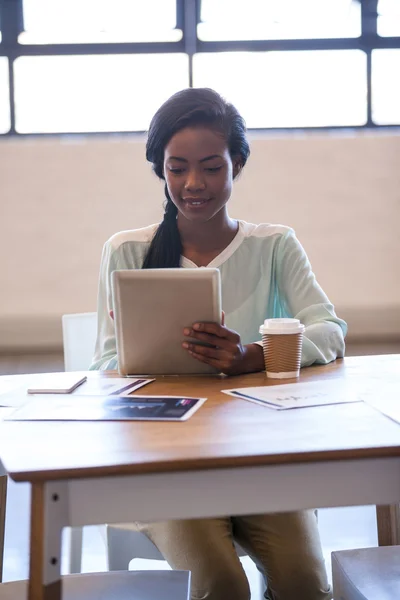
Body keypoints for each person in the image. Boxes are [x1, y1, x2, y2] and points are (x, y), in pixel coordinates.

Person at [90, 88, 347, 600]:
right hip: (164, 467)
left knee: (306, 583)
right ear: (159, 169)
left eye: (211, 167)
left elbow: (329, 329)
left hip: (262, 458)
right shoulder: (127, 250)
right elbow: (102, 365)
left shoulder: (274, 245)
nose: (193, 184)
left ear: (238, 164)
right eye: (177, 168)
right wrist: (136, 359)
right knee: (221, 585)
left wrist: (254, 355)